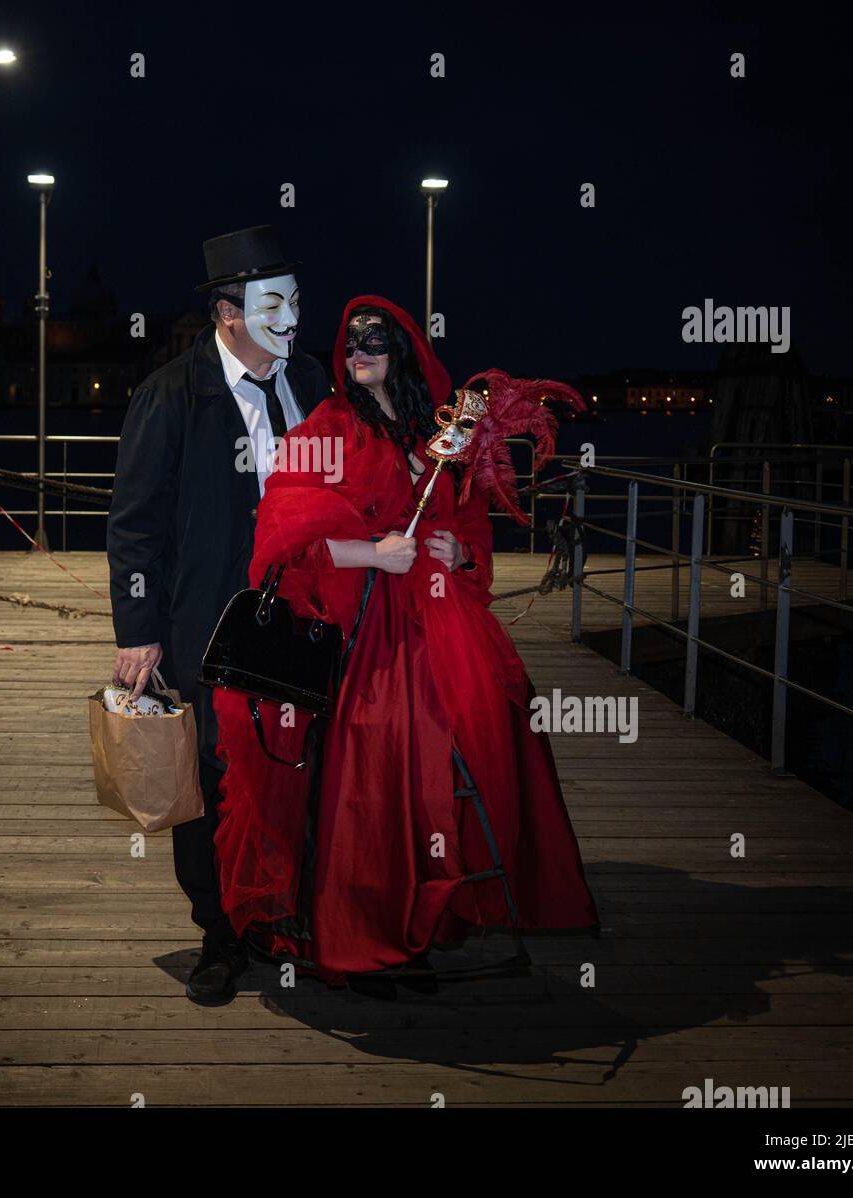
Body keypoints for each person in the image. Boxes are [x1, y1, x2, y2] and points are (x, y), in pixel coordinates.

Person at [210, 295, 599, 995]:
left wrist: (457, 552)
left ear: (404, 350)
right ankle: (363, 932)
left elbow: (472, 526)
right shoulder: (327, 429)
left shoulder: (437, 434)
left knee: (455, 758)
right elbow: (283, 538)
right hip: (364, 634)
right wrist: (371, 552)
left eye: (374, 340)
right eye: (350, 341)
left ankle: (428, 916)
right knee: (373, 772)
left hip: (438, 623)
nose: (359, 351)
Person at [106, 225, 330, 1006]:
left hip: (304, 620)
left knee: (297, 768)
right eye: (276, 303)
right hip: (206, 624)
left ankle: (285, 914)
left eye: (297, 300)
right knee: (209, 779)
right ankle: (219, 931)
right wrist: (137, 632)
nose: (293, 316)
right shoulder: (171, 393)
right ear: (229, 313)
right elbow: (133, 522)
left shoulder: (311, 380)